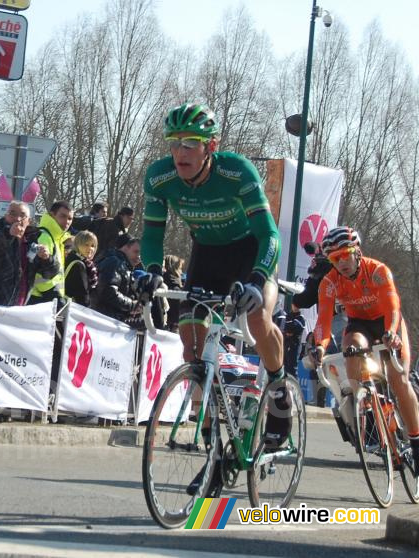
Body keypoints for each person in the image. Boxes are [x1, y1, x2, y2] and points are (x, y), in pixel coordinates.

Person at [141, 103, 287, 495]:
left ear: (211, 146)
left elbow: (270, 234)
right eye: (174, 143)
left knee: (258, 321)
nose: (181, 152)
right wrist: (152, 270)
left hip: (250, 253)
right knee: (192, 348)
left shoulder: (236, 171)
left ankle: (278, 388)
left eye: (191, 143)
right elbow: (153, 237)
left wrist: (258, 278)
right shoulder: (159, 178)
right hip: (206, 257)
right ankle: (216, 454)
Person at [312, 226, 419, 475]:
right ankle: (365, 407)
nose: (341, 262)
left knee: (399, 380)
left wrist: (391, 333)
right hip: (360, 326)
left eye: (345, 254)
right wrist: (319, 348)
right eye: (335, 258)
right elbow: (323, 322)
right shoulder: (329, 283)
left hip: (387, 323)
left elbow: (393, 307)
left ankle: (418, 444)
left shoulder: (377, 271)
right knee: (349, 347)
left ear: (357, 252)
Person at [0, 201, 56, 306]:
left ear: (29, 221)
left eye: (22, 215)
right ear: (6, 216)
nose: (17, 219)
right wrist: (9, 234)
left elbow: (49, 274)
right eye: (13, 214)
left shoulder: (32, 242)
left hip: (18, 306)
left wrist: (46, 258)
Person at [28, 200, 73, 304]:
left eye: (70, 218)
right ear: (52, 215)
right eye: (63, 216)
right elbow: (39, 274)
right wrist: (54, 296)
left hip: (45, 299)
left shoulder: (57, 238)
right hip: (40, 300)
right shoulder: (45, 237)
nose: (67, 221)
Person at [94, 234, 142, 326]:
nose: (139, 257)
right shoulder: (115, 262)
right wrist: (132, 305)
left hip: (112, 319)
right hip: (106, 320)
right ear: (125, 247)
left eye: (141, 254)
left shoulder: (123, 265)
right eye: (136, 252)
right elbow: (108, 291)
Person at [291, 241, 332, 310]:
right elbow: (313, 274)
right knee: (296, 301)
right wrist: (312, 268)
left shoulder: (327, 252)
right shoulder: (318, 258)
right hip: (317, 288)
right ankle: (296, 316)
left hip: (326, 289)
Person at [64, 230, 98, 307]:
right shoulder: (79, 264)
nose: (90, 249)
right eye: (86, 244)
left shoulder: (73, 257)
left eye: (93, 245)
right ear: (77, 244)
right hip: (71, 308)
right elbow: (82, 295)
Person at [162, 255, 184, 332]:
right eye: (180, 268)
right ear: (176, 268)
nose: (181, 272)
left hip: (160, 327)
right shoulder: (177, 290)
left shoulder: (161, 284)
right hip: (173, 330)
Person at [283, 308, 306, 378]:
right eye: (294, 305)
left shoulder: (301, 318)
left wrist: (289, 331)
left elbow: (294, 328)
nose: (295, 307)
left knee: (292, 369)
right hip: (285, 344)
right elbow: (284, 328)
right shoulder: (287, 316)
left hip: (294, 346)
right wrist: (288, 331)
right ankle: (284, 387)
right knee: (284, 368)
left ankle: (293, 387)